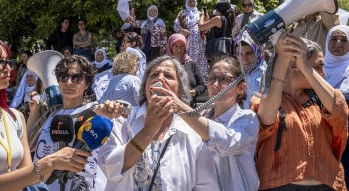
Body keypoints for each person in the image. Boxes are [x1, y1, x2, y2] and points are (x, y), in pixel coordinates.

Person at [0, 35, 90, 191]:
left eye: (8, 62)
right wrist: (51, 161)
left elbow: (30, 176)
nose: (8, 68)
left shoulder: (15, 117)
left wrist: (62, 163)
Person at [98, 56, 218, 191]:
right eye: (154, 74)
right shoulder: (122, 121)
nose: (159, 79)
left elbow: (207, 186)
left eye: (168, 76)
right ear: (145, 87)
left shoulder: (193, 133)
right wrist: (148, 131)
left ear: (179, 90)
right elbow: (110, 169)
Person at [252, 33, 348, 190]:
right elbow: (266, 119)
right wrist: (283, 58)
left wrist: (306, 67)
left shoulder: (321, 98)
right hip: (279, 185)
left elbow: (340, 110)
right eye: (317, 67)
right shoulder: (264, 99)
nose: (322, 73)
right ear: (293, 66)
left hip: (327, 184)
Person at [33, 55, 127, 191]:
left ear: (87, 84)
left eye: (76, 78)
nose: (69, 82)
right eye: (63, 77)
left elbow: (115, 159)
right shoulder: (52, 115)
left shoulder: (98, 111)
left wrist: (112, 109)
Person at [173, 54, 260, 191]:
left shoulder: (247, 118)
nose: (215, 85)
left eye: (224, 79)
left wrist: (181, 107)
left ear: (241, 88)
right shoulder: (201, 117)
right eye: (211, 78)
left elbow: (227, 144)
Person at [323, 25, 349, 188]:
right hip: (321, 136)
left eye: (344, 40)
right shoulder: (316, 68)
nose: (338, 43)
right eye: (333, 39)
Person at [166, 33, 206, 108]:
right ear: (170, 47)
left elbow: (202, 85)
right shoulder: (165, 64)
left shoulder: (191, 64)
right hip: (170, 107)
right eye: (176, 46)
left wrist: (195, 91)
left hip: (189, 107)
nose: (179, 49)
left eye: (181, 46)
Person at [174, 0, 209, 78]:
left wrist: (206, 16)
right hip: (187, 39)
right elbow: (175, 26)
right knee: (186, 57)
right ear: (186, 2)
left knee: (200, 57)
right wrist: (181, 30)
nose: (192, 3)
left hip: (198, 41)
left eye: (193, 1)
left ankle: (201, 78)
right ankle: (187, 76)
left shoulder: (200, 14)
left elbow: (206, 28)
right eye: (190, 1)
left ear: (196, 2)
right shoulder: (182, 13)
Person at [233, 31, 266, 109]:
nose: (244, 59)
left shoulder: (267, 72)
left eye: (249, 53)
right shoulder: (235, 73)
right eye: (239, 54)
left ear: (257, 52)